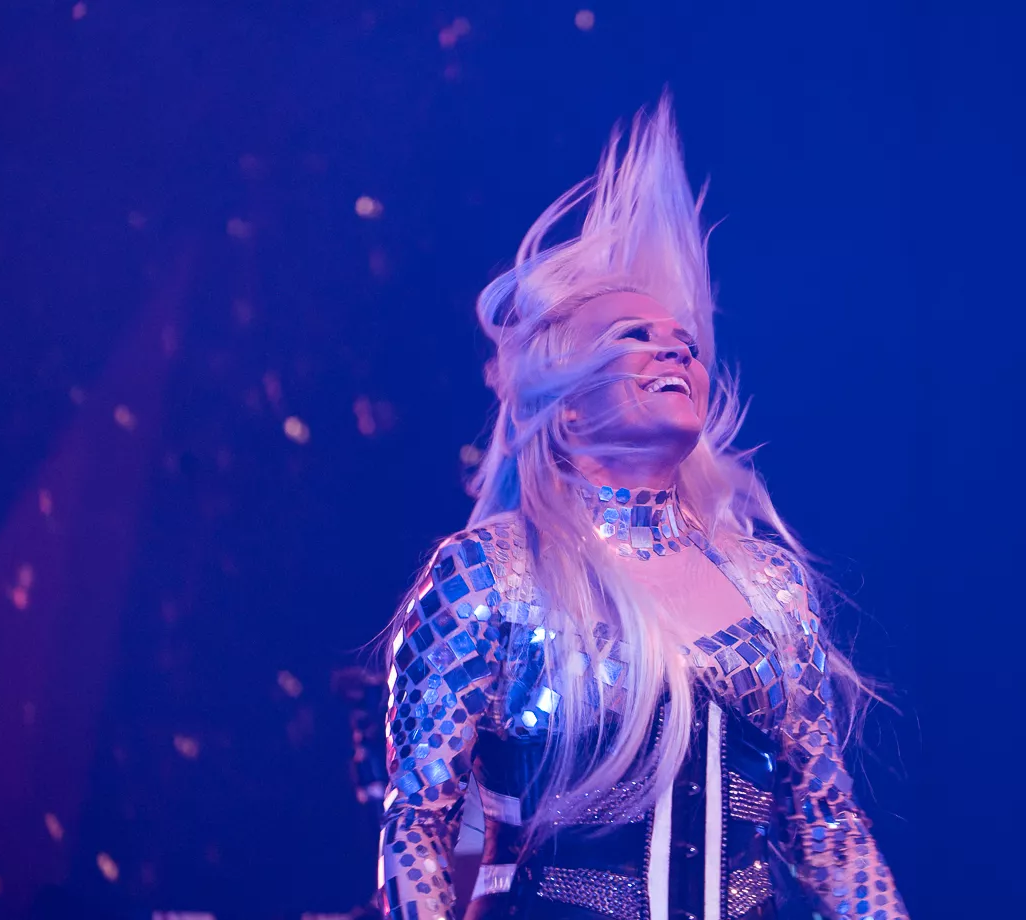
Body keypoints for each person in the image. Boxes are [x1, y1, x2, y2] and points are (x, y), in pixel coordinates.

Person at [377, 95, 908, 920]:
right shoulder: (491, 575)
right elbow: (419, 823)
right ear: (568, 408)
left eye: (687, 344)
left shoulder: (771, 589)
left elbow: (828, 827)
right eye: (633, 336)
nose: (676, 350)